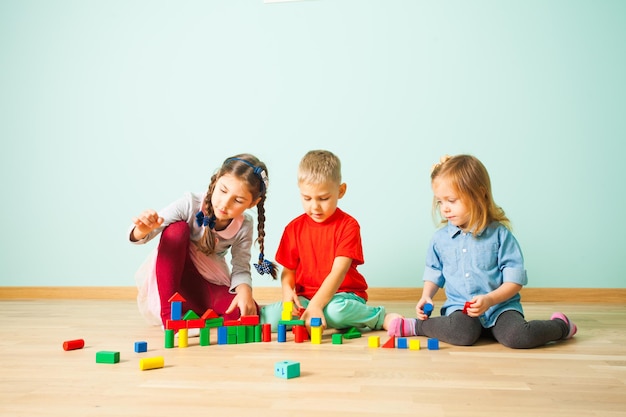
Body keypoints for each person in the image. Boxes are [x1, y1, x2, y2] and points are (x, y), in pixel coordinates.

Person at [388, 154, 577, 348]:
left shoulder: (500, 235)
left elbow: (514, 280)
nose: (444, 209)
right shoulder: (440, 240)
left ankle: (560, 326)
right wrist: (426, 295)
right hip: (461, 309)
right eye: (440, 202)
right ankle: (417, 326)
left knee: (519, 337)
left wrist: (490, 299)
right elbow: (434, 271)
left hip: (500, 308)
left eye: (451, 200)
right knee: (461, 334)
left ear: (479, 195)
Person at [129, 154, 277, 329]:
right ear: (216, 181)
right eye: (223, 190)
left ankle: (198, 316)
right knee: (176, 230)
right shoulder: (190, 204)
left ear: (253, 203)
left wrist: (245, 290)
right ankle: (171, 318)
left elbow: (240, 266)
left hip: (207, 283)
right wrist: (143, 229)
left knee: (243, 311)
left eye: (238, 200)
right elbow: (141, 234)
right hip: (173, 282)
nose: (225, 203)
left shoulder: (244, 225)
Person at [260, 150, 401, 332]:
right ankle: (313, 313)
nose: (315, 206)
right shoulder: (293, 228)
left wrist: (316, 306)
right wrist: (288, 293)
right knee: (269, 318)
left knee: (335, 312)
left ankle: (379, 317)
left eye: (323, 198)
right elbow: (289, 271)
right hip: (306, 298)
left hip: (341, 295)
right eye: (307, 198)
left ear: (340, 191)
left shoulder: (348, 226)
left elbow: (338, 272)